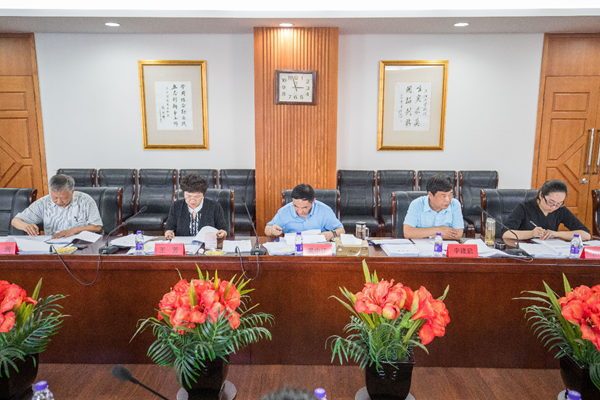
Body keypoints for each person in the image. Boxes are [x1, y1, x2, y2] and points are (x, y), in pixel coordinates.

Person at [11, 174, 103, 238]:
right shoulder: (43, 202)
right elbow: (15, 221)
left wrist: (73, 230)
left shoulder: (85, 201)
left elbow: (96, 227)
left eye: (63, 198)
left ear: (72, 192)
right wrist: (26, 226)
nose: (58, 202)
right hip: (53, 247)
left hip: (81, 245)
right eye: (55, 197)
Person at [502, 180, 590, 241]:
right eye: (551, 202)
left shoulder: (561, 210)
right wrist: (531, 233)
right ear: (541, 195)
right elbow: (506, 233)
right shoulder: (524, 207)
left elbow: (586, 235)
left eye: (559, 203)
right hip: (525, 252)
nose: (554, 207)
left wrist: (557, 234)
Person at [265, 183, 345, 241]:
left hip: (318, 251)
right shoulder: (284, 211)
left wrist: (332, 234)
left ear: (313, 201)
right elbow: (267, 229)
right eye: (295, 206)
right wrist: (272, 230)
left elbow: (341, 230)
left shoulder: (324, 210)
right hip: (292, 251)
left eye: (304, 207)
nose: (300, 212)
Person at [165, 173, 227, 240]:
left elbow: (223, 229)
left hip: (207, 244)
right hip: (183, 244)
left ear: (203, 195)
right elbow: (169, 229)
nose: (192, 200)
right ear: (183, 194)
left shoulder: (215, 206)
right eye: (188, 196)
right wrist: (168, 233)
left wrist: (222, 233)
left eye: (197, 196)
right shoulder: (176, 206)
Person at [403, 174, 464, 240]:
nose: (448, 200)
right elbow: (408, 233)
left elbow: (458, 235)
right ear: (430, 194)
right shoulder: (416, 204)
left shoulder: (455, 204)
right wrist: (439, 230)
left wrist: (427, 234)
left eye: (450, 194)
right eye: (443, 196)